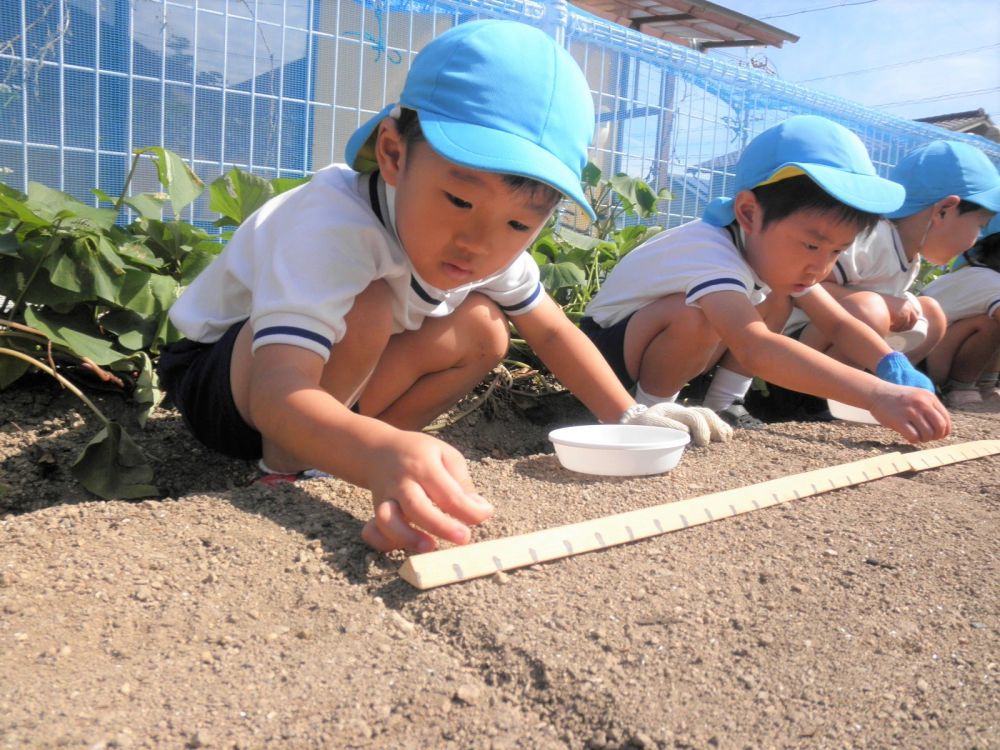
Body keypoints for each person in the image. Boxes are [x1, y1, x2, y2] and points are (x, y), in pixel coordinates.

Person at [157, 20, 729, 555]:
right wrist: (371, 452)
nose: (477, 244)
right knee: (374, 300)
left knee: (484, 327)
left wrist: (629, 416)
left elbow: (553, 331)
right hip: (226, 386)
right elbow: (278, 389)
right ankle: (291, 465)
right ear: (394, 154)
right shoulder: (332, 226)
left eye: (519, 224)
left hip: (326, 389)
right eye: (458, 200)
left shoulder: (486, 245)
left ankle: (364, 452)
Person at [582, 115, 952, 442]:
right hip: (606, 354)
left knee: (775, 296)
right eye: (811, 244)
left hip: (652, 346)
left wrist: (891, 364)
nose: (820, 267)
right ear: (747, 212)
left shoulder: (772, 256)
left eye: (837, 251)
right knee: (694, 313)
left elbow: (838, 323)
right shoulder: (709, 251)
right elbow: (754, 348)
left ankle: (726, 404)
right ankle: (649, 415)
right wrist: (876, 395)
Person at [785, 140, 1000, 369]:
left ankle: (888, 382)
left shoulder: (909, 255)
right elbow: (797, 289)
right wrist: (884, 303)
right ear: (944, 211)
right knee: (870, 310)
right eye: (980, 226)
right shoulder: (872, 238)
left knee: (931, 314)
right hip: (791, 349)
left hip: (832, 341)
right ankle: (811, 398)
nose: (976, 240)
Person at [921, 214, 1000, 407]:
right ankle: (960, 388)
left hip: (922, 354)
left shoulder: (972, 274)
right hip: (923, 364)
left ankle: (984, 386)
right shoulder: (992, 283)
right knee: (988, 325)